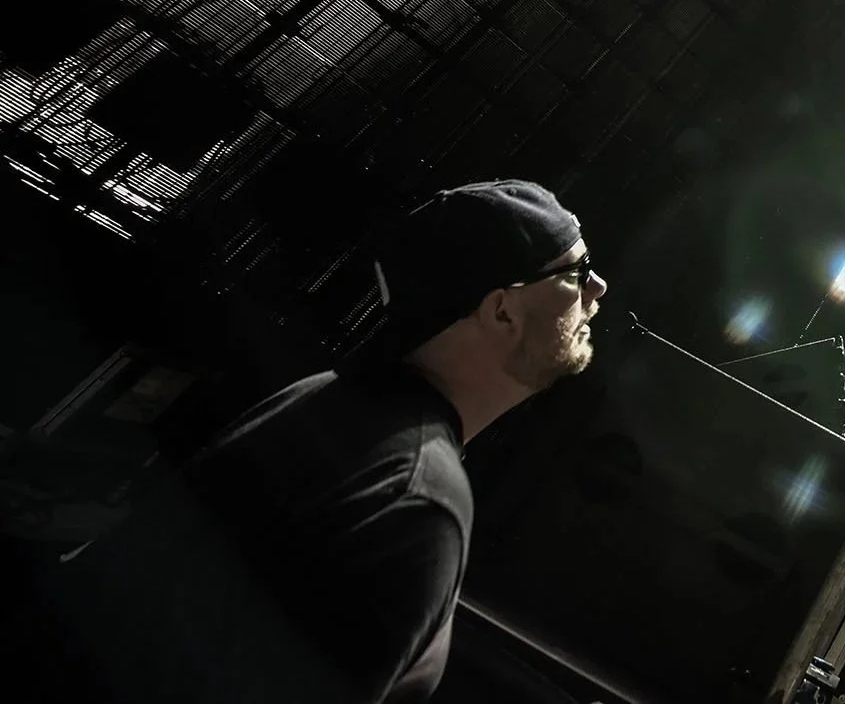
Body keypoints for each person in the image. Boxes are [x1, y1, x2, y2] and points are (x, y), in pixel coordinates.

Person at [48, 178, 607, 704]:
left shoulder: (330, 403)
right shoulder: (417, 502)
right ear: (502, 310)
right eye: (575, 271)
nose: (597, 287)